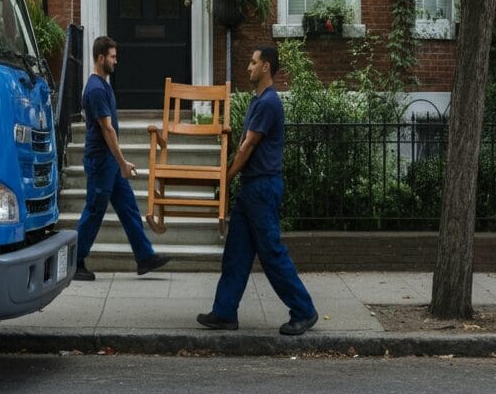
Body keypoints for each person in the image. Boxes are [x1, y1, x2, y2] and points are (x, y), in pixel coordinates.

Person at [197, 44, 318, 336]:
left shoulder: (268, 103)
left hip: (262, 186)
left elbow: (248, 146)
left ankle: (304, 310)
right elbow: (243, 143)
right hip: (252, 186)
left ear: (265, 66)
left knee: (272, 253)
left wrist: (225, 177)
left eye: (253, 63)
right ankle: (225, 312)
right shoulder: (258, 101)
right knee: (236, 252)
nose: (248, 67)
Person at [73, 36, 171, 280]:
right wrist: (122, 162)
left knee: (127, 207)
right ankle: (74, 262)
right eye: (113, 57)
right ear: (100, 58)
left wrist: (118, 163)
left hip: (109, 162)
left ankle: (144, 256)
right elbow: (107, 129)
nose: (116, 61)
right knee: (94, 210)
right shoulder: (95, 89)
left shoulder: (104, 85)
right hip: (100, 161)